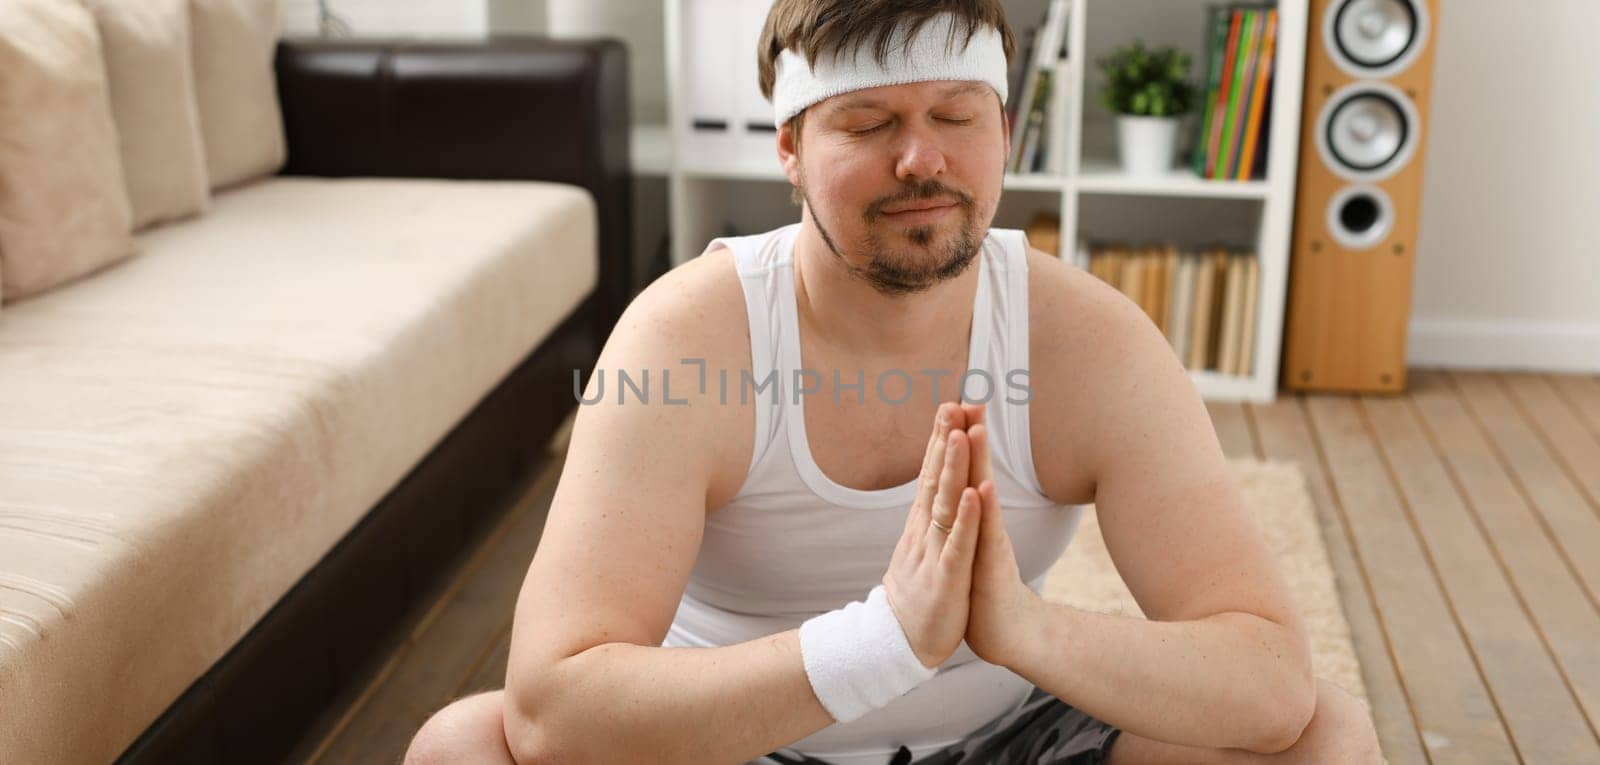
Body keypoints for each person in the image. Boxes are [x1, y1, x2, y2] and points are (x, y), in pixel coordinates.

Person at [403, 1, 1383, 763]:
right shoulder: (684, 336)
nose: (922, 158)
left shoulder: (1089, 340)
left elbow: (1271, 680)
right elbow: (548, 709)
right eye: (867, 123)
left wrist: (1025, 630)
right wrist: (884, 641)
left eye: (955, 115)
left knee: (1321, 740)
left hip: (1011, 741)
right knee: (460, 748)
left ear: (1003, 126)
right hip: (734, 744)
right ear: (788, 148)